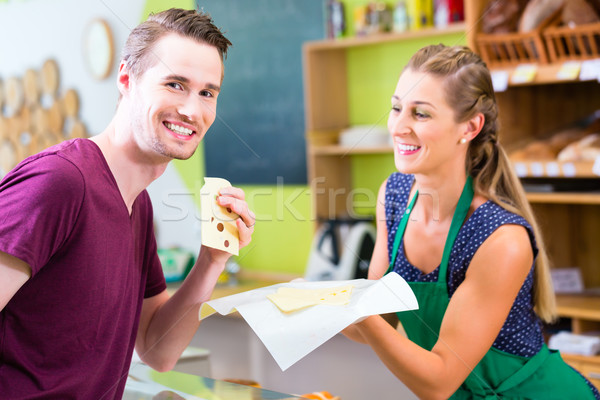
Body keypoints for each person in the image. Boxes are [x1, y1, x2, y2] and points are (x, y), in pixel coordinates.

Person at [0, 8, 255, 399]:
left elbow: (158, 350)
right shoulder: (60, 183)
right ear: (126, 79)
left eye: (207, 92)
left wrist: (212, 261)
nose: (192, 110)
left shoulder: (139, 206)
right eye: (174, 84)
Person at [343, 44, 600, 399]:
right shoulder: (395, 195)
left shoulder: (500, 237)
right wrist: (311, 305)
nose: (398, 127)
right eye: (396, 107)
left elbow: (439, 380)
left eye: (421, 114)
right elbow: (377, 322)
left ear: (470, 126)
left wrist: (359, 312)